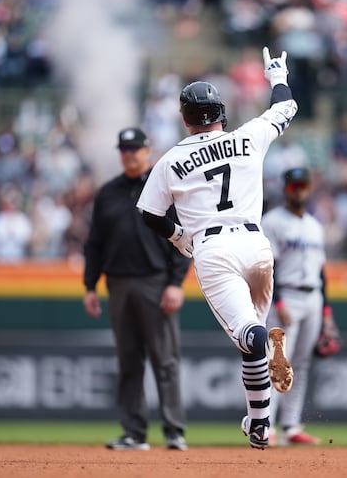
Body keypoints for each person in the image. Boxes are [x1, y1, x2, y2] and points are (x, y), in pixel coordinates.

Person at [136, 47, 298, 449]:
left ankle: (261, 357)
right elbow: (287, 107)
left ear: (186, 119)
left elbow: (148, 213)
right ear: (221, 112)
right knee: (254, 343)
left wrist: (179, 238)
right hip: (257, 246)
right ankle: (260, 426)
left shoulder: (172, 160)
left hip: (215, 251)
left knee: (250, 337)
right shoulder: (248, 136)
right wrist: (276, 76)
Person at [82, 127, 192, 451]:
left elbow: (184, 239)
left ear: (147, 151)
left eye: (134, 148)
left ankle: (174, 431)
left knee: (165, 359)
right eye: (124, 149)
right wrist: (90, 285)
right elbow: (94, 244)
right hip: (117, 283)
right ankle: (134, 432)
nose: (129, 153)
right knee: (128, 360)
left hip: (155, 282)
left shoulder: (164, 185)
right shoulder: (108, 193)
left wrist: (175, 283)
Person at [261, 167, 329, 446]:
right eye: (293, 186)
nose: (298, 190)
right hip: (285, 295)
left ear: (309, 188)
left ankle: (291, 426)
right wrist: (277, 301)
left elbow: (322, 273)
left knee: (300, 364)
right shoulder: (272, 222)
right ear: (285, 189)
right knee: (277, 363)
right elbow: (267, 267)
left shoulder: (315, 225)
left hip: (313, 298)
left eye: (302, 185)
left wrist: (327, 310)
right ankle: (265, 426)